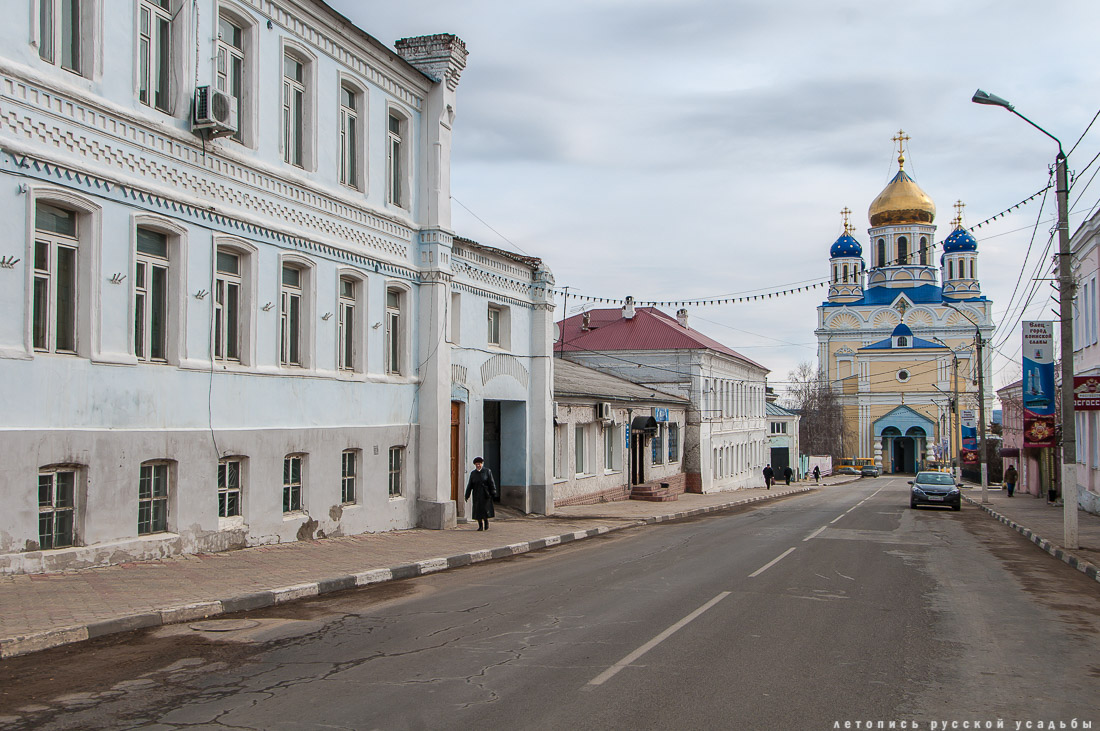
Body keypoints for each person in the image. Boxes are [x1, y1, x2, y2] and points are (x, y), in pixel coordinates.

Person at [465, 457, 498, 531]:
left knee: (485, 510)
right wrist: (467, 494)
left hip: (485, 494)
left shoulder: (487, 471)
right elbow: (470, 485)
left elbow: (491, 482)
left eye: (479, 464)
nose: (478, 466)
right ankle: (480, 525)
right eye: (476, 464)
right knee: (477, 511)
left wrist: (493, 492)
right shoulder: (473, 473)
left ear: (482, 464)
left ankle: (486, 522)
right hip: (476, 494)